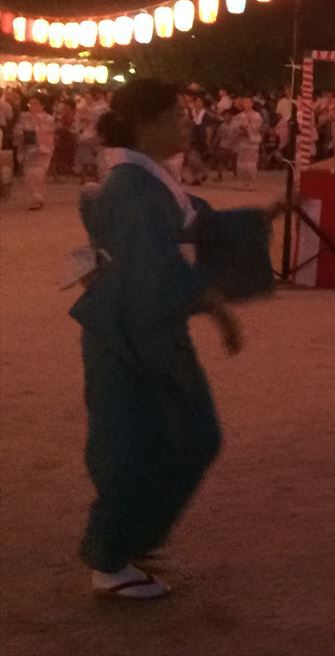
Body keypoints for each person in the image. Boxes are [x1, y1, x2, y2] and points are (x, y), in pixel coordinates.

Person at [68, 79, 276, 601]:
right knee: (136, 444)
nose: (186, 124)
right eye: (176, 116)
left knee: (185, 435)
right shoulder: (132, 188)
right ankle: (111, 561)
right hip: (129, 331)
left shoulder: (146, 180)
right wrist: (216, 309)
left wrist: (260, 219)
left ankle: (133, 539)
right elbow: (155, 270)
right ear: (145, 125)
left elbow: (194, 226)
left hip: (141, 325)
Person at [17, 93, 55, 209]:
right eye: (30, 103)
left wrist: (35, 131)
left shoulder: (48, 118)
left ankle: (38, 198)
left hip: (42, 149)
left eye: (35, 103)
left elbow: (48, 132)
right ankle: (36, 196)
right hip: (28, 149)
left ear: (42, 105)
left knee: (38, 174)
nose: (32, 106)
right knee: (28, 174)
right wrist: (22, 135)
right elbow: (18, 130)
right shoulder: (24, 117)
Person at [229, 96, 264, 187]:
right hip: (242, 140)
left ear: (252, 104)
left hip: (252, 140)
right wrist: (240, 128)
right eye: (244, 102)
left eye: (248, 102)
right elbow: (233, 127)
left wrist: (249, 127)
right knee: (242, 161)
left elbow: (258, 127)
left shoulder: (257, 115)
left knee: (252, 161)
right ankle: (245, 181)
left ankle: (252, 181)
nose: (246, 104)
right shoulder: (239, 115)